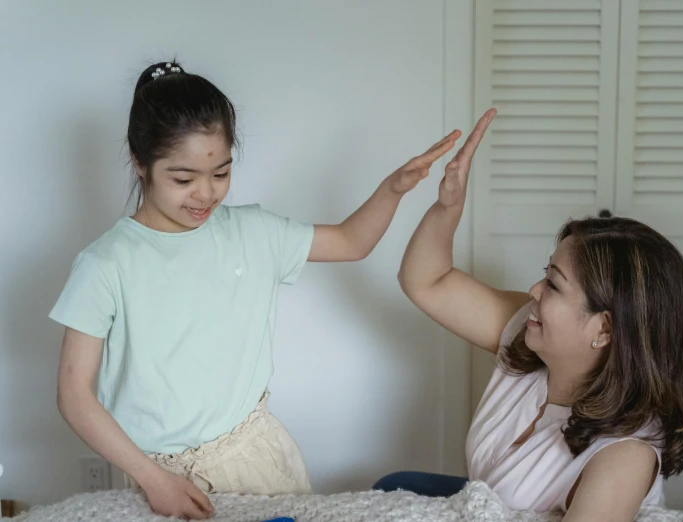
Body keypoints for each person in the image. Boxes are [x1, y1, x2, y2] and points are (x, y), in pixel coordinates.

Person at [51, 60, 460, 520]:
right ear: (139, 162)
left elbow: (351, 241)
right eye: (183, 179)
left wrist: (393, 188)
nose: (205, 194)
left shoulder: (254, 232)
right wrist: (152, 478)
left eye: (221, 173)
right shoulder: (104, 264)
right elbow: (74, 395)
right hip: (148, 478)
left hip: (255, 466)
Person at [376, 109, 683, 521]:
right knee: (390, 486)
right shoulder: (528, 334)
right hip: (488, 505)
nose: (534, 291)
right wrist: (449, 207)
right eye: (545, 275)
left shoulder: (625, 456)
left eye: (553, 285)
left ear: (604, 328)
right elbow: (426, 281)